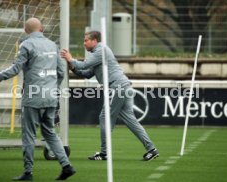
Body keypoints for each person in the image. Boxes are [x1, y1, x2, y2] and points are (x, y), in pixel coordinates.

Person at [0, 17, 76, 181]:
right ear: (42, 29)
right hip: (50, 96)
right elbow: (61, 72)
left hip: (33, 97)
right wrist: (53, 88)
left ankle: (28, 172)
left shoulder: (26, 45)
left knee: (28, 135)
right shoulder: (52, 45)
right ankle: (67, 166)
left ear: (25, 30)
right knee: (50, 132)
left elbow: (14, 69)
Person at [60, 31, 159, 161]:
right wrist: (72, 66)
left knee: (104, 117)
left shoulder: (100, 50)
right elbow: (86, 73)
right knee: (130, 120)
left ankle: (105, 153)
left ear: (94, 41)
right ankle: (151, 149)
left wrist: (70, 58)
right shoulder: (97, 54)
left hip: (117, 87)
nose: (83, 43)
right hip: (123, 86)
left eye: (86, 40)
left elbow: (83, 65)